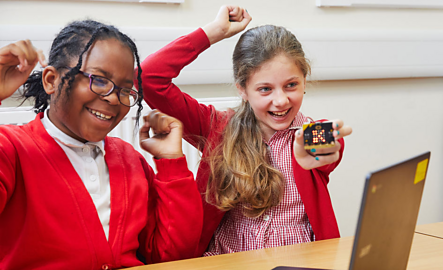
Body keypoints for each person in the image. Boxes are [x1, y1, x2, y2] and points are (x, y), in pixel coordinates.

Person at [138, 6, 353, 257]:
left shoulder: (310, 135)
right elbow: (149, 78)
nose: (281, 100)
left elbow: (327, 150)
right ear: (243, 89)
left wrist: (330, 148)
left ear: (304, 81)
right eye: (265, 89)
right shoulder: (216, 128)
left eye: (291, 85)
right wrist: (214, 32)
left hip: (300, 260)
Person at [0, 20, 202, 270]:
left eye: (126, 90)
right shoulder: (10, 148)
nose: (113, 98)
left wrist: (172, 164)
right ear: (51, 80)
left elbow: (174, 256)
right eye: (99, 79)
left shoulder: (130, 160)